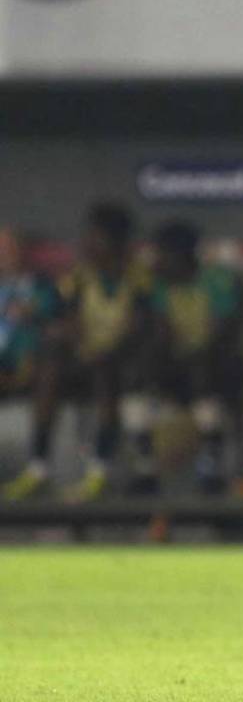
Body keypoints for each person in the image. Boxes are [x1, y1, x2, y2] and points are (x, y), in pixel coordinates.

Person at [8, 203, 153, 501]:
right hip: (86, 359)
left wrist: (107, 351)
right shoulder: (80, 276)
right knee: (50, 367)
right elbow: (66, 318)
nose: (86, 243)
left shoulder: (138, 279)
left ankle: (99, 471)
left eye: (95, 237)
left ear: (115, 242)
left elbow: (140, 331)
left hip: (123, 366)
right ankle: (38, 468)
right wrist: (62, 332)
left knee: (106, 371)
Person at [144, 220, 242, 493]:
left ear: (179, 255)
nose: (157, 261)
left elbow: (221, 333)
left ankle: (211, 463)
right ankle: (146, 467)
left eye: (161, 254)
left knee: (205, 367)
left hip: (216, 367)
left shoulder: (215, 281)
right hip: (179, 367)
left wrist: (194, 356)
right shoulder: (160, 288)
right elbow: (161, 336)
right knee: (147, 371)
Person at [0, 228, 61, 500]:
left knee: (47, 373)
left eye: (9, 248)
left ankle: (38, 468)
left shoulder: (41, 286)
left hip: (29, 363)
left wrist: (25, 359)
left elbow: (49, 321)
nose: (4, 256)